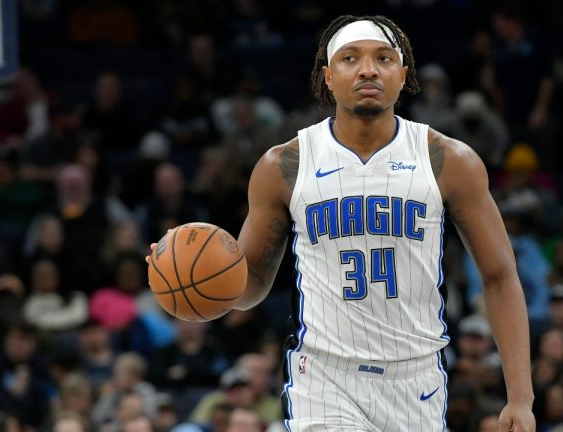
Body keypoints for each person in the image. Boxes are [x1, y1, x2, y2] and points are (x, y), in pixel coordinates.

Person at [148, 14, 535, 432]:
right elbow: (251, 285)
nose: (368, 68)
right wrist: (192, 274)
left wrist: (521, 398)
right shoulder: (284, 165)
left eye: (383, 58)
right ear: (328, 77)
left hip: (416, 378)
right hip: (324, 376)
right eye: (350, 58)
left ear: (403, 76)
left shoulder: (449, 161)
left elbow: (499, 276)